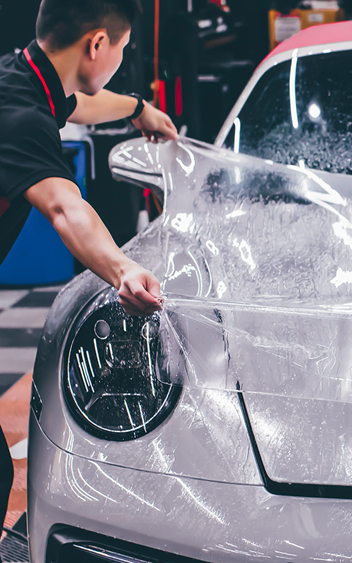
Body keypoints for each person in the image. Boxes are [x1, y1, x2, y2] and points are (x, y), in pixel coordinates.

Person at [0, 0, 177, 540]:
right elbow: (64, 207)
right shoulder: (23, 119)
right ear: (97, 44)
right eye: (123, 48)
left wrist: (140, 109)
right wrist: (123, 269)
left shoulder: (21, 78)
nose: (122, 58)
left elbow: (80, 105)